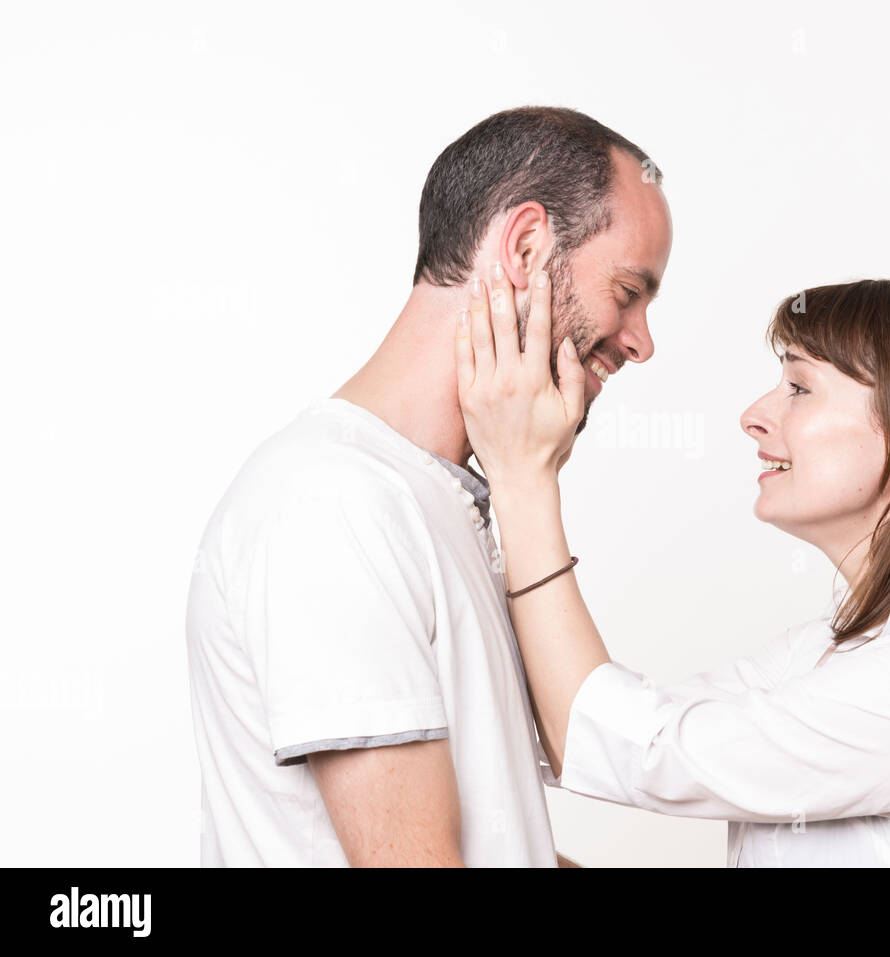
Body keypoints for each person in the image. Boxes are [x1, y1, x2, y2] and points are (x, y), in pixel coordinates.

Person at [454, 271, 890, 867]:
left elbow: (629, 747)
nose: (754, 416)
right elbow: (592, 723)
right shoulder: (830, 651)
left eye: (798, 387)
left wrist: (522, 478)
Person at [184, 106, 672, 866]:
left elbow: (501, 842)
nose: (641, 341)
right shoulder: (334, 502)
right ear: (527, 245)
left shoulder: (435, 498)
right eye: (628, 290)